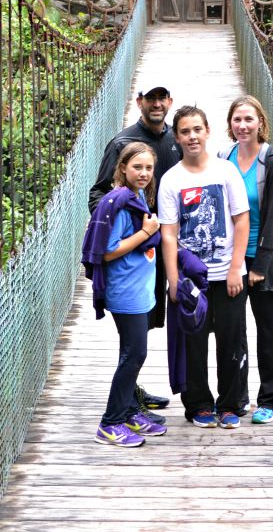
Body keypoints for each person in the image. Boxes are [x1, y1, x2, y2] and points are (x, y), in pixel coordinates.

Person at [89, 85, 180, 417]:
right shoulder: (122, 144)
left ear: (170, 102)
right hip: (131, 259)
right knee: (134, 341)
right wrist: (137, 226)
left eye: (162, 98)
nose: (156, 104)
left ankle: (130, 397)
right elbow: (98, 197)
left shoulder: (175, 141)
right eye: (150, 98)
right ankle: (125, 406)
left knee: (142, 334)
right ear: (139, 102)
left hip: (158, 253)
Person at [158, 106, 250, 430]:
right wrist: (172, 280)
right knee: (193, 344)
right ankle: (198, 404)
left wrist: (236, 267)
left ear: (208, 131)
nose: (192, 136)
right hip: (191, 278)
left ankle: (229, 404)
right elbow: (168, 234)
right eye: (185, 131)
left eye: (197, 129)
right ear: (177, 137)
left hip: (227, 274)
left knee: (231, 341)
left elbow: (241, 220)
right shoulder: (171, 180)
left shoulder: (226, 172)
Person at [80, 142, 167, 447]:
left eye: (148, 168)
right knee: (135, 354)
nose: (143, 173)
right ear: (122, 169)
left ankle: (130, 411)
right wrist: (146, 233)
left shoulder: (137, 196)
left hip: (138, 288)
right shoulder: (117, 202)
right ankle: (110, 422)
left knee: (130, 353)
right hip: (125, 291)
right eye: (137, 167)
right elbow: (106, 253)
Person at [220, 96, 273, 425]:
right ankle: (238, 398)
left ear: (261, 123)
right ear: (230, 123)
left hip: (264, 259)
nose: (243, 126)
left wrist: (259, 266)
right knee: (233, 330)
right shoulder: (223, 157)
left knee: (267, 330)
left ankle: (268, 400)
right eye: (237, 119)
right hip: (230, 259)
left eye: (249, 119)